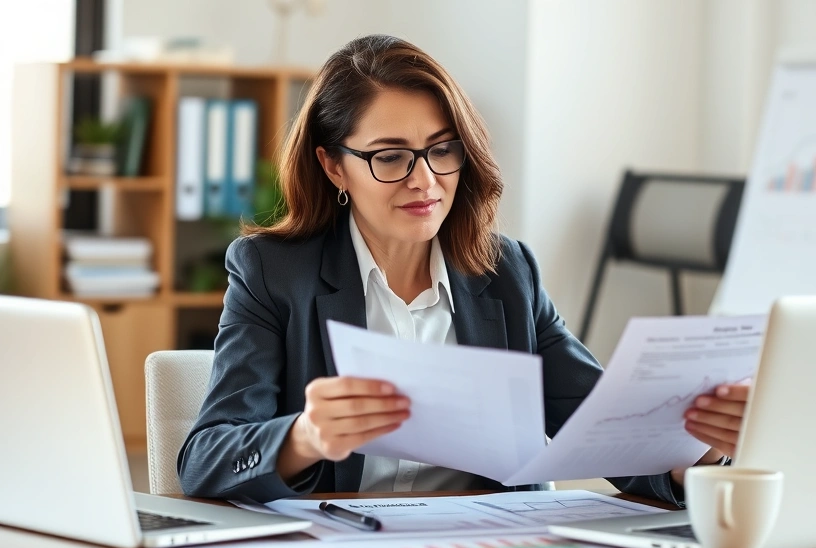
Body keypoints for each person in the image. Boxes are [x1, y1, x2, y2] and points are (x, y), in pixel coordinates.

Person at [177, 34, 748, 504]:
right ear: (333, 166)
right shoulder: (273, 273)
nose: (424, 181)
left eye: (442, 149)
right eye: (391, 157)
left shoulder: (506, 272)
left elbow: (601, 428)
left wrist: (695, 452)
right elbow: (205, 460)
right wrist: (302, 437)